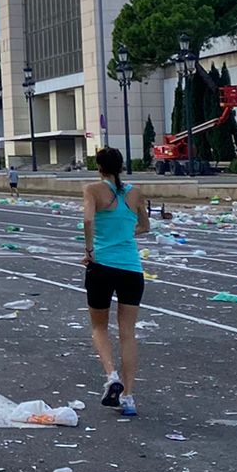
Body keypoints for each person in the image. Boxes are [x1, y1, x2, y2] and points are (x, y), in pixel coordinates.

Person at [81, 145, 149, 417]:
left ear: (99, 167)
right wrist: (124, 232)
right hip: (132, 269)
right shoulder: (135, 192)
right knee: (128, 333)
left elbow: (88, 220)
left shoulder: (93, 190)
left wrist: (89, 251)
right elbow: (145, 226)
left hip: (102, 266)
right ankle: (129, 395)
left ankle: (111, 376)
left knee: (99, 327)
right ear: (121, 166)